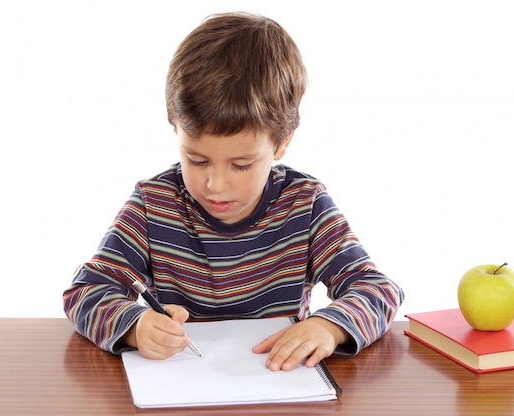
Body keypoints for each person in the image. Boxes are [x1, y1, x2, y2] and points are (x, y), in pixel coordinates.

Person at [62, 11, 404, 372]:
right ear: (176, 131)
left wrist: (329, 326)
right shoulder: (153, 205)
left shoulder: (305, 205)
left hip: (278, 387)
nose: (215, 185)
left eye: (241, 165)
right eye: (196, 160)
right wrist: (134, 325)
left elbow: (377, 290)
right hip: (181, 387)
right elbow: (85, 292)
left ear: (281, 143)